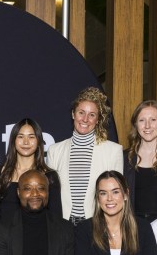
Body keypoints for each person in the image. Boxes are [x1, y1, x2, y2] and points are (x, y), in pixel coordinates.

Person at [46, 86, 124, 225]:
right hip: (63, 226)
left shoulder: (113, 151)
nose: (85, 119)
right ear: (73, 114)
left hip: (97, 225)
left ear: (98, 119)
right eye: (81, 112)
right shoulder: (54, 150)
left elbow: (116, 196)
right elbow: (51, 196)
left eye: (92, 114)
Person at [0, 118, 62, 224]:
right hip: (4, 238)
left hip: (38, 236)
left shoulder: (49, 176)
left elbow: (55, 217)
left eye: (31, 137)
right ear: (13, 140)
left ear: (38, 141)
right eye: (20, 136)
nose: (26, 142)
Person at [125, 100, 157, 222]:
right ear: (136, 124)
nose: (147, 125)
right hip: (133, 229)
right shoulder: (125, 157)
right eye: (142, 120)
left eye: (153, 120)